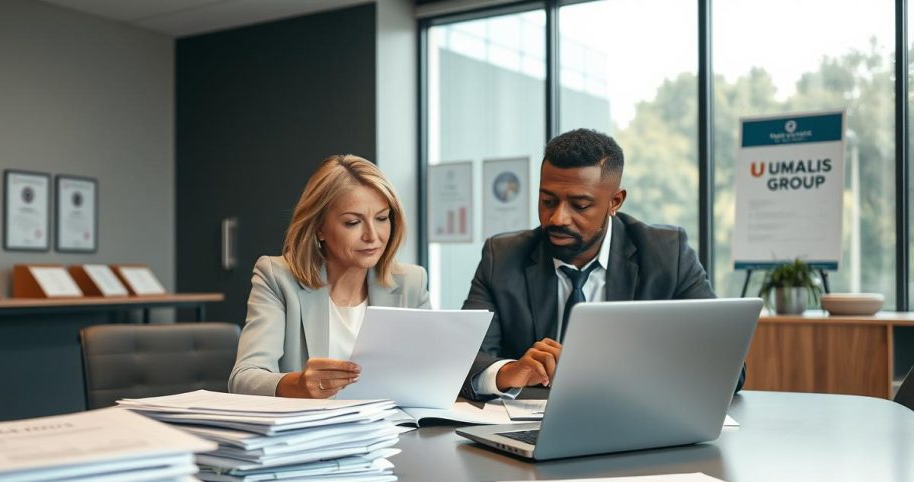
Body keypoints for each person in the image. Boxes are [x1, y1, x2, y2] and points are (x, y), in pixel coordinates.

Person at [462, 128, 741, 400]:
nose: (558, 218)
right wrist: (510, 372)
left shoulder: (667, 254)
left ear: (615, 202)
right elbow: (463, 361)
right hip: (525, 427)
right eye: (548, 201)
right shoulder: (502, 257)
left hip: (634, 420)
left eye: (579, 205)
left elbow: (729, 367)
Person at [229, 155, 430, 398]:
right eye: (353, 222)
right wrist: (299, 384)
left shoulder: (411, 281)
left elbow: (433, 370)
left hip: (392, 429)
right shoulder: (278, 277)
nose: (372, 236)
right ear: (320, 228)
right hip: (310, 431)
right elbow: (244, 378)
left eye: (382, 218)